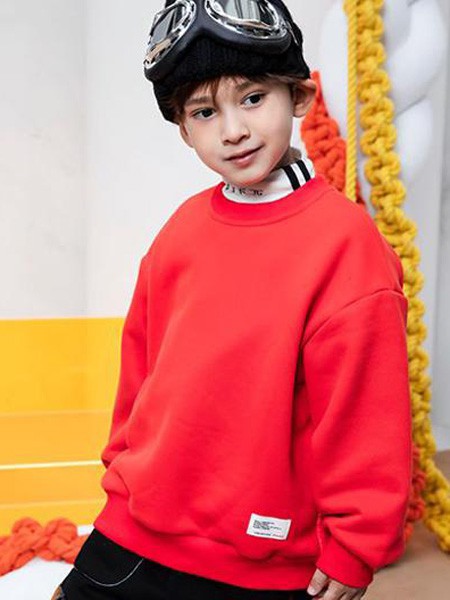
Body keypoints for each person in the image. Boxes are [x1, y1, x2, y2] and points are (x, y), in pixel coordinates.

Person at [52, 1, 413, 599]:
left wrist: (357, 541)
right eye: (204, 111)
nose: (233, 130)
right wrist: (122, 474)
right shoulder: (183, 228)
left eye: (253, 98)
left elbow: (365, 406)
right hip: (136, 529)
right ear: (184, 129)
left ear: (299, 96)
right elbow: (141, 368)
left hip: (261, 557)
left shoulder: (346, 245)